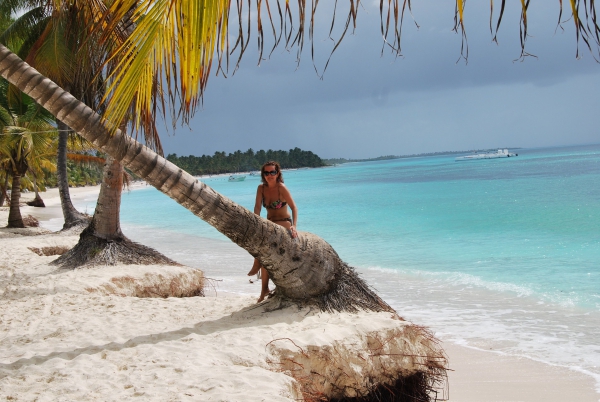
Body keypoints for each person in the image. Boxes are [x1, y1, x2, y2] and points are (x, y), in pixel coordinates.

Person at [247, 161, 298, 302]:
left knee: (265, 243)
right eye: (266, 173)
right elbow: (257, 208)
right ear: (263, 175)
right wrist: (255, 223)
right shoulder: (261, 188)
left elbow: (294, 207)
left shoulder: (281, 188)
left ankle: (256, 264)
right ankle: (264, 288)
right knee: (262, 248)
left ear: (277, 174)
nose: (269, 175)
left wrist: (294, 226)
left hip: (284, 222)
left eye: (272, 172)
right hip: (270, 223)